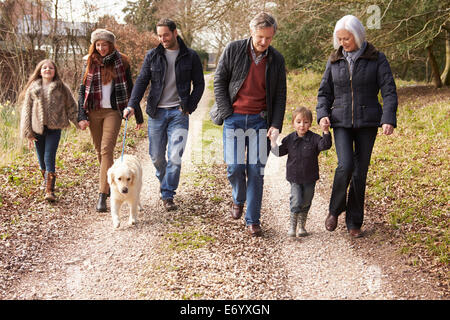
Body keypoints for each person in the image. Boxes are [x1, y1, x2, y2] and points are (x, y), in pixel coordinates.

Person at [316, 15, 397, 238]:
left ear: (358, 36)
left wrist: (388, 118)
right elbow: (324, 93)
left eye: (347, 38)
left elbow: (388, 91)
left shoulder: (377, 59)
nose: (343, 43)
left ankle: (354, 221)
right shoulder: (334, 60)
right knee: (345, 165)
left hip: (368, 122)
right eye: (340, 39)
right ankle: (334, 209)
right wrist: (322, 114)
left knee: (360, 172)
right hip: (340, 121)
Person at [214, 12, 286, 237]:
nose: (264, 42)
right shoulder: (234, 49)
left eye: (269, 38)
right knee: (235, 167)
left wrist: (275, 124)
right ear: (252, 32)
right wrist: (227, 112)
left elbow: (281, 94)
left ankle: (253, 220)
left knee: (256, 171)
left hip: (260, 121)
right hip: (234, 118)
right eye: (260, 37)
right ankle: (238, 198)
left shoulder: (276, 59)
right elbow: (219, 80)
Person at [127, 18, 205, 211]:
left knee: (175, 156)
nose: (163, 39)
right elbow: (142, 81)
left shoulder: (190, 56)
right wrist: (131, 105)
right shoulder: (152, 55)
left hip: (179, 113)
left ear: (175, 33)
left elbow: (200, 84)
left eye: (166, 35)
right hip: (156, 112)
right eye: (159, 35)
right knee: (156, 157)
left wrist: (189, 106)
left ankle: (168, 194)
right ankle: (165, 183)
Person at [78, 28, 144, 212]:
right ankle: (111, 180)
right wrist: (81, 115)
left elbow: (131, 89)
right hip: (93, 111)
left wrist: (137, 114)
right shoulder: (88, 61)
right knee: (100, 152)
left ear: (111, 45)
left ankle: (102, 195)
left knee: (107, 150)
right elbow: (81, 89)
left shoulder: (122, 61)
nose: (101, 48)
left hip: (113, 112)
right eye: (97, 45)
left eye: (104, 44)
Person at [20, 59, 79, 202]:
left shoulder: (61, 88)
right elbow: (26, 111)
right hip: (37, 130)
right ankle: (47, 182)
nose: (47, 70)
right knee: (41, 161)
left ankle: (49, 191)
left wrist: (79, 122)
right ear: (40, 71)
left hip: (54, 129)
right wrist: (28, 133)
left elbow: (71, 106)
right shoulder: (33, 88)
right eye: (44, 68)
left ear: (55, 71)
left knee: (49, 157)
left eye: (50, 68)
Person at [270, 107, 332, 237]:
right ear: (293, 123)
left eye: (305, 122)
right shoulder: (289, 139)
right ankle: (292, 226)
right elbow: (278, 152)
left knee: (306, 201)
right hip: (295, 177)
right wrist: (273, 142)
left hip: (310, 177)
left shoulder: (315, 139)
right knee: (296, 200)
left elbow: (325, 145)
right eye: (298, 122)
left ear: (310, 123)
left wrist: (325, 131)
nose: (302, 125)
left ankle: (302, 227)